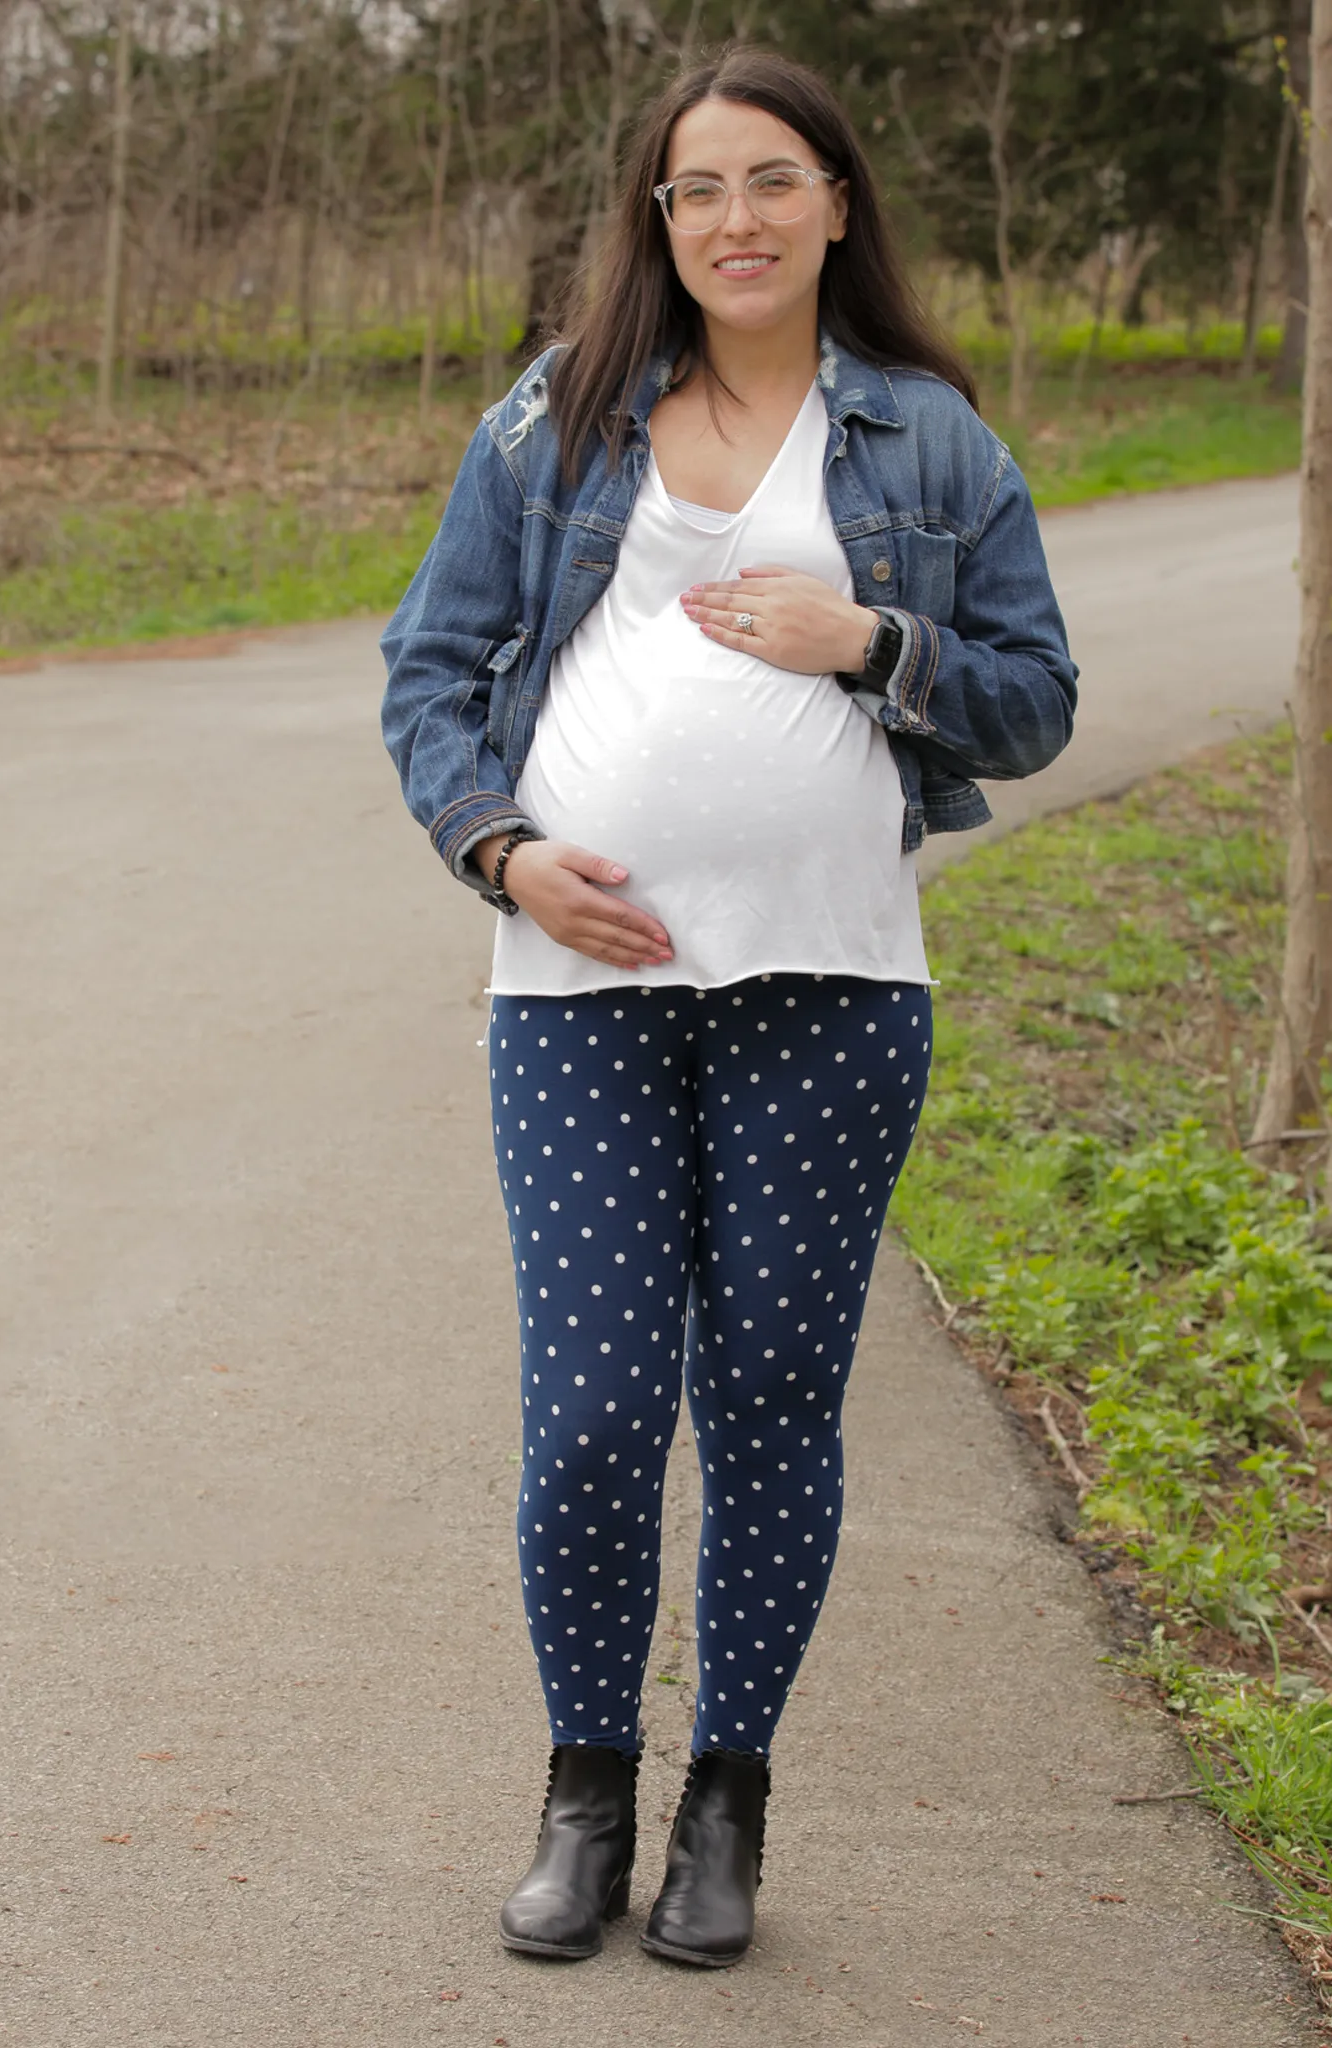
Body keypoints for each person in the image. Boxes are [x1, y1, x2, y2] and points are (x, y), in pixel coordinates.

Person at [381, 45, 1076, 1970]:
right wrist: (503, 854)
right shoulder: (558, 420)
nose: (737, 220)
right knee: (597, 1413)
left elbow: (1035, 701)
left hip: (835, 995)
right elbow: (427, 672)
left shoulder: (928, 441)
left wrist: (869, 641)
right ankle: (583, 1795)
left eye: (773, 182)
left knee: (770, 1406)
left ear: (837, 203)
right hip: (576, 1001)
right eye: (698, 191)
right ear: (657, 222)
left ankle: (727, 1806)